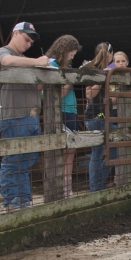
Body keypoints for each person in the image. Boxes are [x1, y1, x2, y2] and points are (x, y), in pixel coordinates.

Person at [0, 22, 50, 212]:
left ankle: (23, 201)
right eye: (26, 39)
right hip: (14, 116)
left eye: (31, 42)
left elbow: (33, 88)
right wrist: (37, 62)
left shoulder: (23, 59)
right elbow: (6, 62)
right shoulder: (3, 52)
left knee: (25, 161)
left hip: (30, 115)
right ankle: (11, 202)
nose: (28, 43)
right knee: (12, 161)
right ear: (15, 33)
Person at [46, 35, 82, 198]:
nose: (72, 57)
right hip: (61, 112)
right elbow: (57, 94)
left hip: (71, 111)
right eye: (71, 53)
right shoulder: (52, 66)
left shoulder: (65, 66)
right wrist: (71, 80)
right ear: (64, 50)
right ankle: (59, 188)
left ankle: (67, 188)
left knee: (71, 150)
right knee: (62, 151)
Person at [83, 42, 114, 191]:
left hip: (104, 117)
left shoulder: (108, 71)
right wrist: (103, 78)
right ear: (110, 54)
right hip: (95, 117)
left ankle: (99, 185)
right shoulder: (93, 70)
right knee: (97, 153)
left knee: (111, 151)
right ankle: (96, 188)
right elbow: (89, 94)